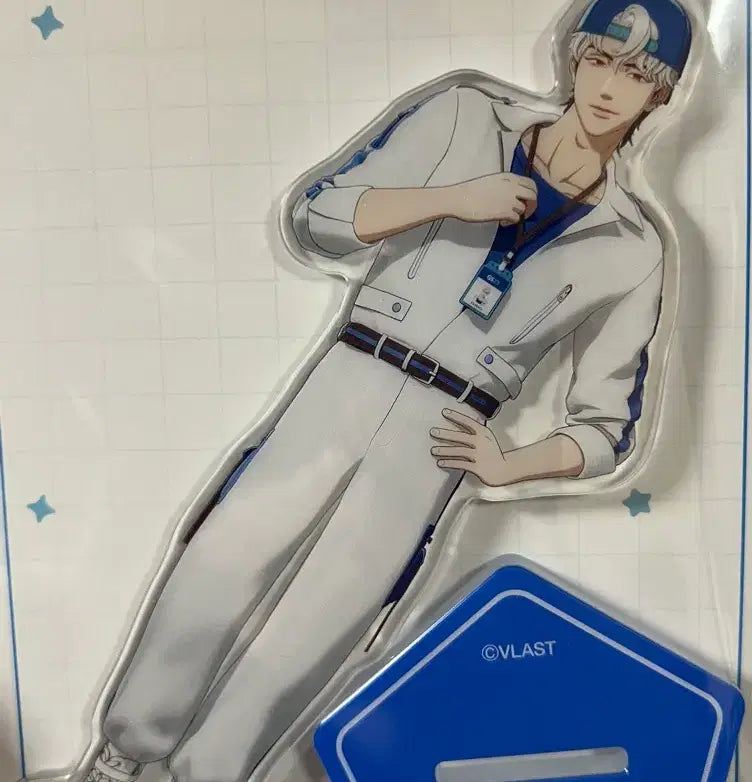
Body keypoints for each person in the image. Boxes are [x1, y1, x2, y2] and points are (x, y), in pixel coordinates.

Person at [81, 1, 693, 781]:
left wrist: (511, 464)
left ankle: (211, 775)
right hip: (356, 369)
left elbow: (608, 426)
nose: (610, 87)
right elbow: (318, 215)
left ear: (662, 94)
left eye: (637, 74)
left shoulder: (634, 245)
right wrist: (447, 198)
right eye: (601, 59)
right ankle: (120, 757)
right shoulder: (467, 113)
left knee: (326, 618)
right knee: (225, 554)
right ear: (574, 57)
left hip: (447, 426)